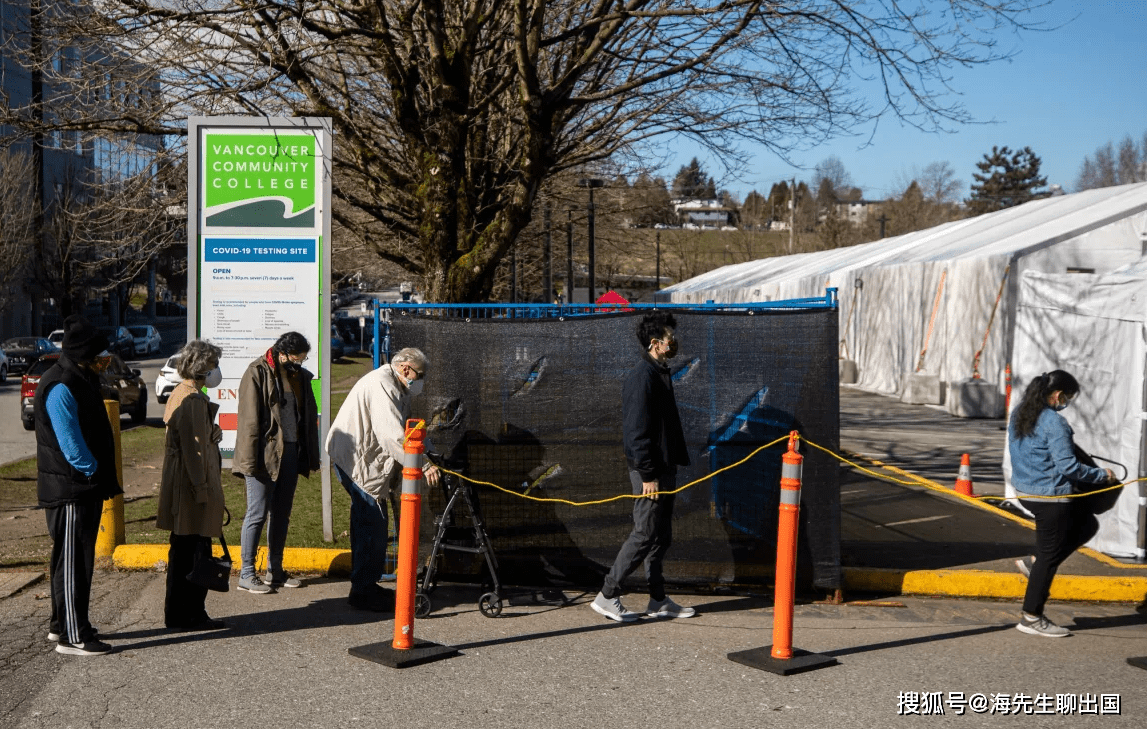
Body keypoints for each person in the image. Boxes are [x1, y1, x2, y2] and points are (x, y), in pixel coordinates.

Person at [591, 311, 696, 622]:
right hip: (649, 473)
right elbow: (636, 432)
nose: (674, 342)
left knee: (660, 535)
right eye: (669, 338)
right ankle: (607, 595)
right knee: (644, 532)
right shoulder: (642, 377)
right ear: (655, 343)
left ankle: (658, 599)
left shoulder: (658, 373)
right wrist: (648, 474)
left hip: (663, 469)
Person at [326, 348, 440, 611]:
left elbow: (408, 429)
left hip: (360, 459)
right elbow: (392, 435)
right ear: (406, 369)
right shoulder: (382, 385)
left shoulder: (396, 386)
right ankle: (363, 591)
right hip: (356, 461)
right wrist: (422, 464)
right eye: (420, 375)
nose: (421, 381)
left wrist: (431, 450)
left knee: (370, 524)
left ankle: (365, 585)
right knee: (371, 525)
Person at [34, 315, 122, 656]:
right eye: (100, 355)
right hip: (72, 488)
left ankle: (62, 625)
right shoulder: (61, 385)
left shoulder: (78, 377)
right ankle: (75, 636)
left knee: (67, 561)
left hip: (78, 486)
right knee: (74, 564)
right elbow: (71, 445)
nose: (105, 361)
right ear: (84, 354)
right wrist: (94, 472)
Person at [1009, 369, 1115, 638]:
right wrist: (1101, 475)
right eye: (1067, 397)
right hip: (1050, 498)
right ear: (1057, 395)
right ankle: (1031, 617)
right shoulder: (1054, 422)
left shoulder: (1021, 412)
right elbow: (1069, 467)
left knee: (1086, 524)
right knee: (1049, 557)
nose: (1066, 402)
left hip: (1027, 491)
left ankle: (1037, 563)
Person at [233, 331, 321, 593]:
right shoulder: (256, 372)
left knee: (281, 514)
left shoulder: (298, 377)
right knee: (257, 513)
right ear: (281, 354)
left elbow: (303, 416)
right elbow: (249, 421)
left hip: (291, 452)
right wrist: (250, 463)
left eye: (302, 360)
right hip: (264, 455)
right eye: (296, 359)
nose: (299, 364)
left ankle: (276, 570)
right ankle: (247, 573)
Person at [157, 339, 228, 631]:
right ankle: (191, 614)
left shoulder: (182, 393)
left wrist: (212, 431)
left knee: (183, 550)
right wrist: (202, 490)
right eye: (213, 365)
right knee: (196, 552)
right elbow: (194, 450)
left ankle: (179, 613)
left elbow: (195, 438)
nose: (216, 371)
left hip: (182, 485)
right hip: (191, 488)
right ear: (201, 368)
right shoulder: (193, 400)